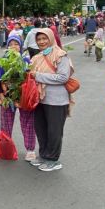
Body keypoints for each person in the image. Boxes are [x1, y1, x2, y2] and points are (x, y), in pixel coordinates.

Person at [29, 28, 72, 172]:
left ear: (51, 38)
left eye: (44, 38)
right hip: (39, 99)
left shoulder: (61, 55)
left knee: (54, 130)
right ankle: (43, 155)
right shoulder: (37, 57)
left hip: (57, 100)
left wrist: (38, 76)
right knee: (41, 129)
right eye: (39, 39)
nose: (41, 42)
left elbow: (63, 77)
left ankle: (53, 159)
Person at [0, 36, 36, 161]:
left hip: (24, 97)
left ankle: (30, 150)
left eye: (16, 44)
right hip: (8, 98)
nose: (13, 46)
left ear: (21, 46)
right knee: (6, 124)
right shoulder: (3, 61)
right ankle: (5, 149)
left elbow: (31, 79)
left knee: (28, 123)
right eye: (10, 44)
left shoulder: (26, 60)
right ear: (7, 47)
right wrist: (2, 98)